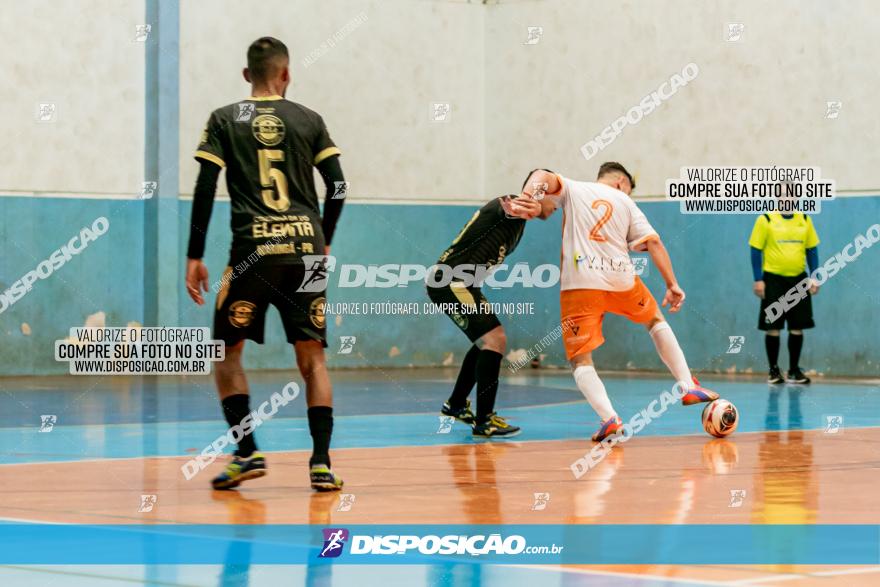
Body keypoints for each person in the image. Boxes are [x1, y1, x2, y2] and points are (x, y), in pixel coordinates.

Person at [185, 37, 345, 491]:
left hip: (252, 251)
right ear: (287, 74)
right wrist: (323, 240)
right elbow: (338, 186)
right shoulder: (309, 119)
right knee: (312, 358)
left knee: (227, 354)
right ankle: (321, 463)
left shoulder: (224, 118)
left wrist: (194, 255)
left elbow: (204, 187)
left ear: (246, 75)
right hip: (306, 250)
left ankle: (247, 452)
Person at [520, 163, 718, 442]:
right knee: (654, 321)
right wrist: (672, 285)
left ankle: (609, 419)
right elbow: (654, 244)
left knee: (580, 358)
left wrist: (530, 195)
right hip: (621, 279)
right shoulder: (625, 201)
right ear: (621, 183)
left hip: (580, 284)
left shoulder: (573, 188)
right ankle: (687, 385)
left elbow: (541, 176)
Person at [428, 191, 544, 437]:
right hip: (451, 281)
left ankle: (456, 404)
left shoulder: (519, 226)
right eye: (556, 202)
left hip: (464, 284)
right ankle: (485, 420)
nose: (557, 208)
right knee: (495, 339)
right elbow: (512, 203)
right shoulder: (510, 205)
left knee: (487, 342)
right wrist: (534, 199)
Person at [749, 211, 820, 384]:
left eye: (791, 193)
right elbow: (755, 250)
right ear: (778, 196)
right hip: (773, 279)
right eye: (783, 193)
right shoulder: (765, 219)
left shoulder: (804, 219)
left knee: (797, 326)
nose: (787, 197)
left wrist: (815, 276)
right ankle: (774, 371)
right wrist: (758, 279)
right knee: (773, 326)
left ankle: (794, 371)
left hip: (799, 279)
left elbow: (811, 249)